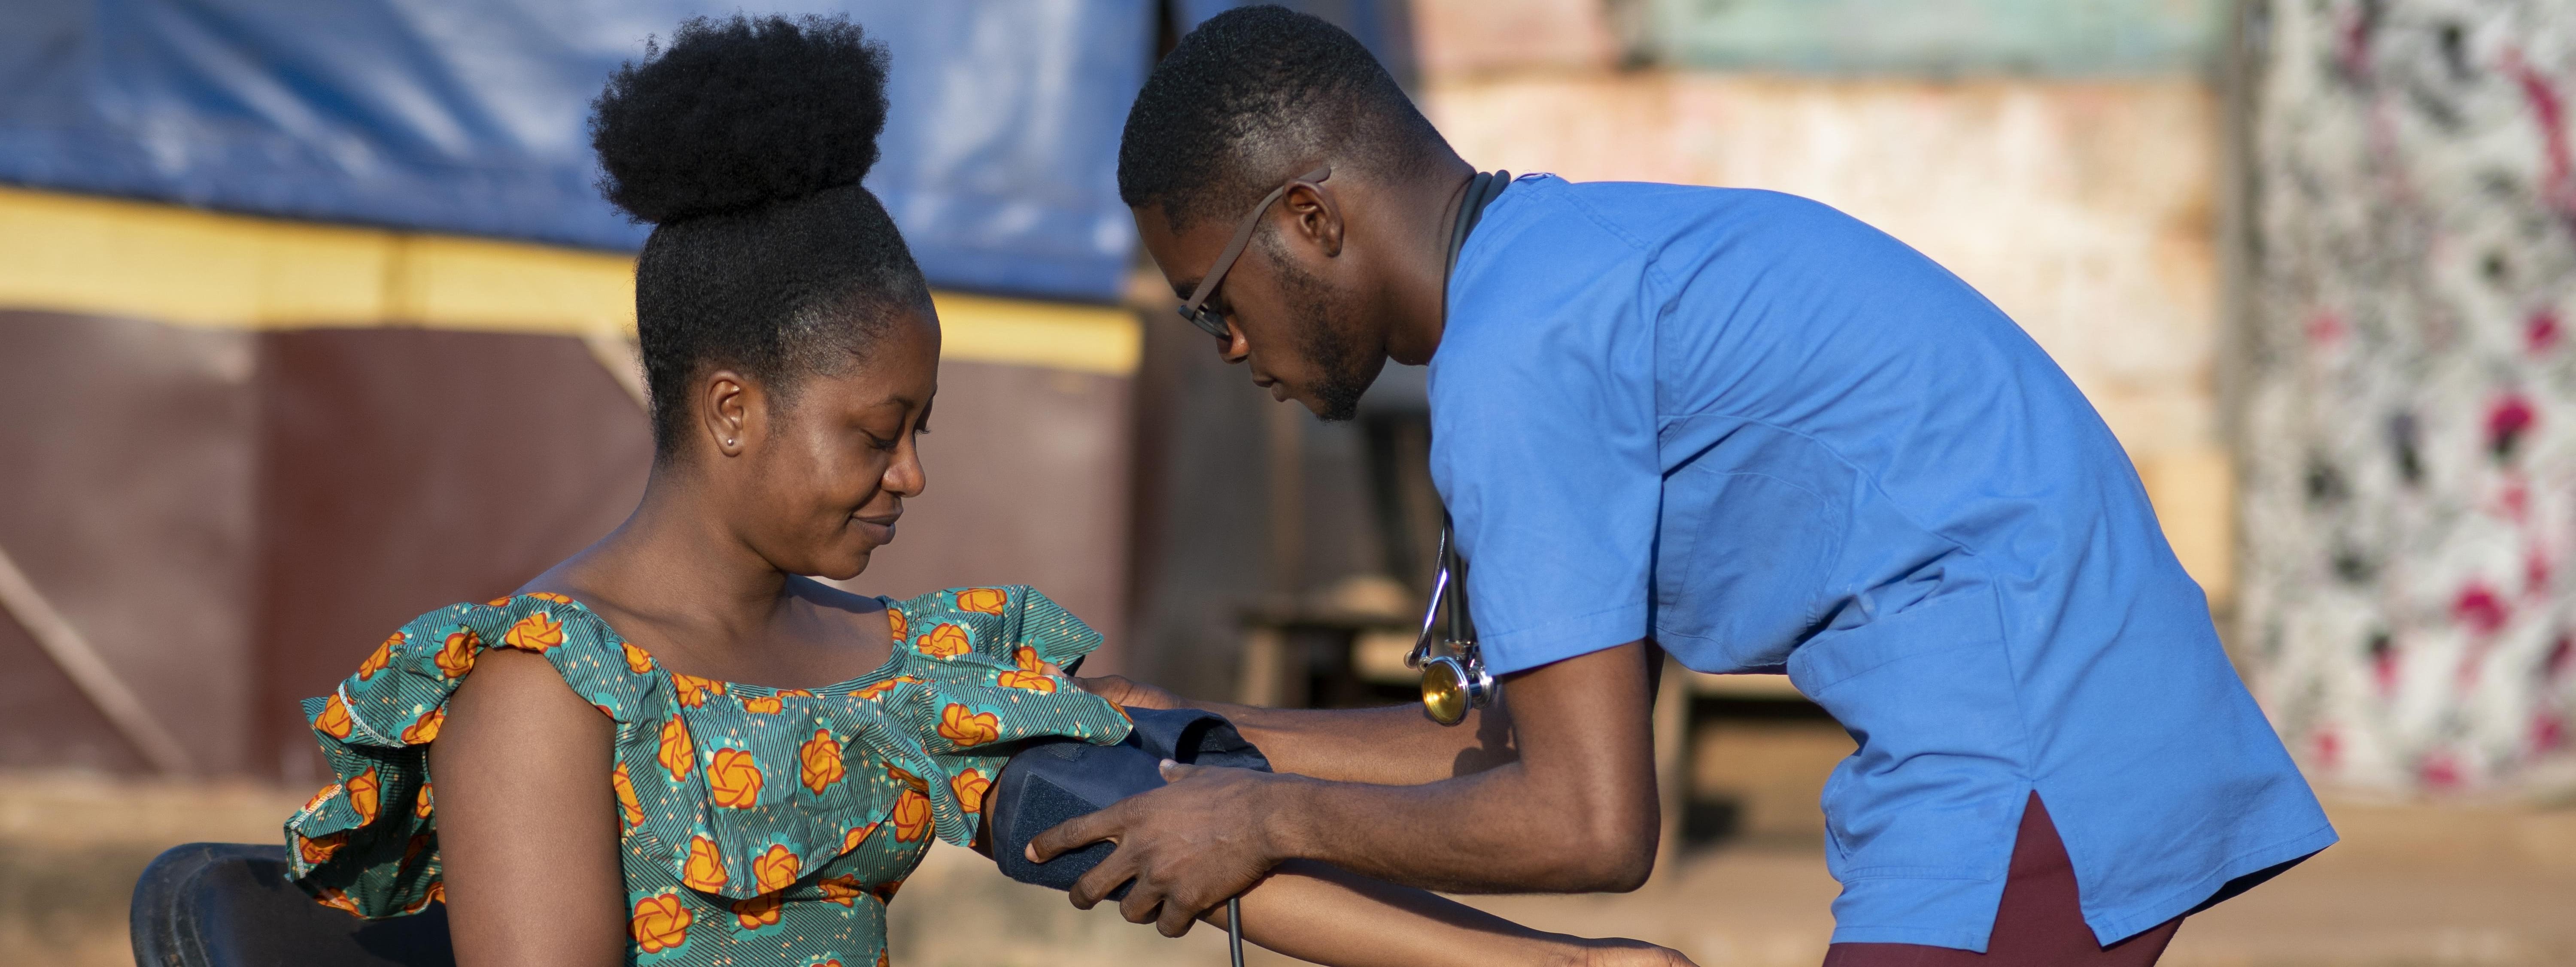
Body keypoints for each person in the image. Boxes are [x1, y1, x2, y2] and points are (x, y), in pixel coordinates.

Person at [277, 15, 1693, 967]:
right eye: (875, 433)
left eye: (924, 427)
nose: (914, 475)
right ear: (730, 410)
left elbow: (1202, 823)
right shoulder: (546, 690)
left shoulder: (903, 666)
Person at [1036, 7, 2340, 966]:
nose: (1234, 352)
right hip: (2053, 710)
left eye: (1216, 306)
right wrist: (1189, 724)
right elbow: (1503, 744)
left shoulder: (1519, 358)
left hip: (2030, 742)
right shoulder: (1547, 273)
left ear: (1312, 221)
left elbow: (1591, 825)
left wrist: (1262, 817)